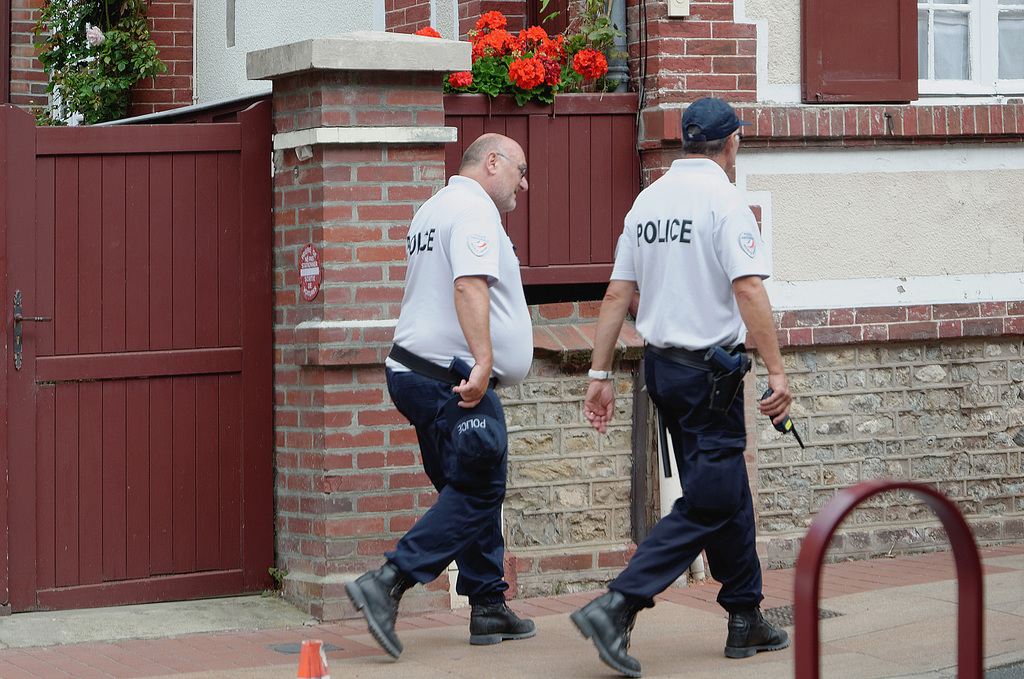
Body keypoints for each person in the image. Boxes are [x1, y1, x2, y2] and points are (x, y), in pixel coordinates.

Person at [569, 97, 794, 678]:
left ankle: (745, 617)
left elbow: (617, 294)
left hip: (661, 370)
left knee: (724, 486)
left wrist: (599, 375)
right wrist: (776, 371)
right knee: (714, 496)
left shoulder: (648, 201)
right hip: (709, 376)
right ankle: (619, 602)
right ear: (730, 143)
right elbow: (749, 291)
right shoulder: (725, 200)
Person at [345, 133, 536, 658]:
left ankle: (488, 604)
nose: (525, 182)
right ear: (491, 162)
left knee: (466, 486)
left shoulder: (433, 208)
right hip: (450, 379)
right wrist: (484, 363)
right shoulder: (474, 211)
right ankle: (388, 581)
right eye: (520, 170)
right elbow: (468, 285)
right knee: (478, 488)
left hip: (415, 374)